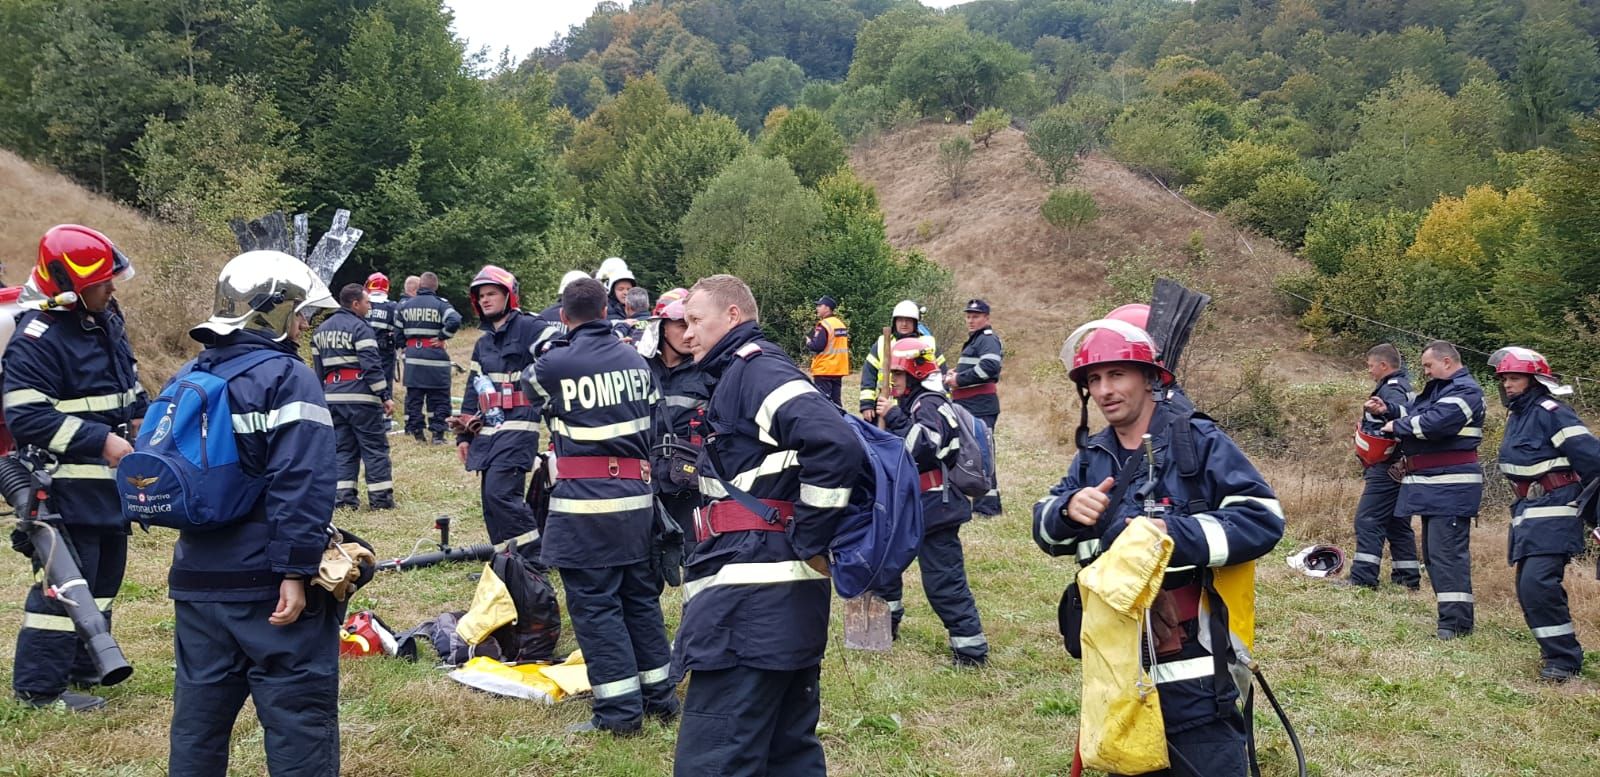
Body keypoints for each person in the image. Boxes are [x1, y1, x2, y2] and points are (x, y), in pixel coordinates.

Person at [1032, 316, 1283, 777]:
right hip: (1118, 667)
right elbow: (1046, 533)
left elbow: (1262, 518)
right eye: (1094, 379)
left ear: (1150, 378)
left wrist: (1169, 535)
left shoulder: (1198, 442)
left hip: (1195, 673)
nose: (1104, 390)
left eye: (1116, 374)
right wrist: (1067, 510)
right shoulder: (1092, 456)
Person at [674, 274, 863, 776]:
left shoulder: (754, 371)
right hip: (779, 606)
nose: (686, 334)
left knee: (714, 761)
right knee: (787, 757)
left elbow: (834, 442)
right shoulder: (740, 374)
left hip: (747, 609)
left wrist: (810, 533)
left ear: (733, 316)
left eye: (695, 320)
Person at [167, 250, 341, 775]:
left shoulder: (189, 374)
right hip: (267, 585)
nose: (305, 325)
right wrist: (295, 571)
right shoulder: (288, 377)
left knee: (197, 726)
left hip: (196, 581)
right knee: (298, 723)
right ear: (276, 310)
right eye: (301, 313)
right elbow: (303, 480)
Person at [5, 225, 145, 711]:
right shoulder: (37, 338)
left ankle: (86, 667)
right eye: (101, 283)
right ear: (69, 286)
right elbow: (26, 416)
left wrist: (143, 416)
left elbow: (125, 383)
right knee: (63, 590)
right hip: (64, 490)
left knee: (103, 582)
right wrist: (100, 440)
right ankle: (39, 689)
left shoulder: (101, 320)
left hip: (109, 490)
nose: (111, 289)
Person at [527, 278, 675, 735]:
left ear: (564, 316)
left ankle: (619, 713)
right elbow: (656, 421)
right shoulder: (636, 361)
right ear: (608, 310)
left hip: (585, 508)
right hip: (637, 503)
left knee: (596, 607)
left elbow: (530, 390)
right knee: (639, 600)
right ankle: (660, 698)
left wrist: (554, 344)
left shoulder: (554, 363)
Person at [874, 336, 988, 666]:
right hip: (909, 505)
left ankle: (970, 649)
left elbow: (923, 448)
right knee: (886, 568)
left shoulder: (930, 404)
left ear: (915, 373)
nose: (893, 381)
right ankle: (885, 626)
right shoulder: (910, 403)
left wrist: (895, 418)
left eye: (898, 374)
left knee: (943, 582)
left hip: (936, 508)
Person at [1490, 347, 1600, 682]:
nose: (1508, 384)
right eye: (1504, 379)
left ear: (1535, 380)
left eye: (1515, 378)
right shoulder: (1518, 416)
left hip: (1556, 510)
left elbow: (1593, 460)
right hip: (1528, 512)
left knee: (1538, 584)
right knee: (1528, 589)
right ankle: (1555, 654)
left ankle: (1564, 662)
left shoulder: (1552, 412)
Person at [1381, 340, 1484, 640]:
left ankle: (1456, 625)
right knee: (1435, 555)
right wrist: (1390, 412)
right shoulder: (1440, 390)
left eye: (1428, 365)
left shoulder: (1466, 391)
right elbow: (1415, 413)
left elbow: (1435, 424)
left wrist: (1399, 426)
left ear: (1447, 362)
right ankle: (1451, 620)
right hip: (1435, 485)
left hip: (1451, 486)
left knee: (1447, 555)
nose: (1425, 371)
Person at [455, 266, 550, 565]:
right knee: (490, 501)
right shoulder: (483, 343)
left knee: (501, 495)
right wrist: (463, 435)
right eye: (481, 296)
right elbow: (473, 388)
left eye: (492, 293)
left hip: (519, 425)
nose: (485, 300)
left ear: (509, 296)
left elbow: (557, 357)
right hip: (487, 431)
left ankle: (533, 562)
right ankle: (505, 564)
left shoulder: (531, 327)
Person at [1340, 343, 1419, 589]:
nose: (1369, 370)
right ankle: (1407, 579)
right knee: (1397, 523)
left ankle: (1363, 579)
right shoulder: (1402, 386)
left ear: (1383, 365)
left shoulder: (1392, 389)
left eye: (1371, 366)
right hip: (1399, 466)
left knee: (1368, 519)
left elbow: (1402, 416)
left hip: (1387, 467)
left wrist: (1383, 413)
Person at [638, 288, 709, 561]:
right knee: (645, 558)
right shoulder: (638, 369)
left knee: (696, 555)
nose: (689, 333)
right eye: (681, 325)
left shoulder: (707, 371)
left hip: (689, 481)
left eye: (693, 324)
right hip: (647, 478)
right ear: (662, 328)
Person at [312, 284, 395, 510]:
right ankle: (381, 500)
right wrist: (384, 396)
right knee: (374, 448)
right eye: (367, 302)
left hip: (332, 397)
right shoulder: (361, 328)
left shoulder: (320, 330)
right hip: (361, 398)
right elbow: (371, 366)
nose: (370, 307)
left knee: (343, 449)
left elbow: (318, 371)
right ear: (356, 304)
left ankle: (344, 500)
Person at [946, 298, 1003, 516]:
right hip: (970, 404)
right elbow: (976, 367)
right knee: (974, 452)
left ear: (986, 318)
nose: (970, 320)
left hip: (980, 405)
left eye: (976, 316)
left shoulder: (987, 339)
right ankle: (981, 502)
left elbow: (989, 367)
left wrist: (958, 379)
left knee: (982, 454)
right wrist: (956, 373)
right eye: (968, 316)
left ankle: (987, 506)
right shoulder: (976, 340)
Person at [395, 272, 462, 444]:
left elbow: (397, 331)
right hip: (435, 358)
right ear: (435, 287)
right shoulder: (441, 304)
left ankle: (418, 434)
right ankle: (438, 435)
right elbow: (455, 320)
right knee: (439, 397)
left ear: (420, 286)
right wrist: (442, 337)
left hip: (413, 359)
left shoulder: (405, 305)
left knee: (414, 399)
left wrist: (405, 346)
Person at [860, 299, 941, 423]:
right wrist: (867, 404)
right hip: (886, 404)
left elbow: (941, 374)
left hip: (916, 406)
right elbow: (868, 375)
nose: (904, 324)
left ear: (915, 323)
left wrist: (941, 403)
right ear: (894, 322)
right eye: (900, 320)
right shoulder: (883, 343)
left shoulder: (927, 344)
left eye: (908, 320)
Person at [363, 272, 402, 399]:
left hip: (363, 351)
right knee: (385, 383)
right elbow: (399, 330)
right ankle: (385, 407)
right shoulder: (393, 307)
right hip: (385, 352)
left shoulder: (362, 304)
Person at [806, 295, 850, 407]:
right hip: (838, 369)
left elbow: (817, 346)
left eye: (819, 306)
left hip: (824, 369)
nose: (817, 308)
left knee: (824, 404)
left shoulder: (824, 325)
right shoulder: (840, 324)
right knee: (836, 403)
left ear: (827, 308)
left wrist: (809, 342)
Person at [596, 257, 636, 321]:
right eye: (621, 289)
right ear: (612, 291)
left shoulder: (636, 308)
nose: (626, 293)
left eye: (629, 289)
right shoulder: (603, 309)